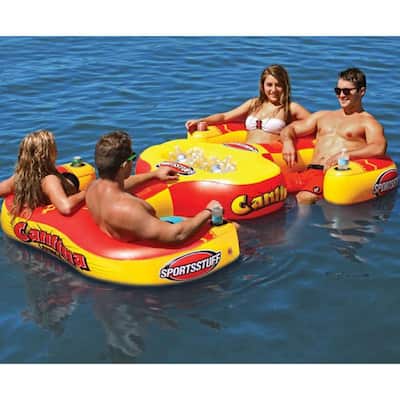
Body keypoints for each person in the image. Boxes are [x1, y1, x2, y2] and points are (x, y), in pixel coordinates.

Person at [85, 130, 225, 244]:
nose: (133, 162)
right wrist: (208, 211)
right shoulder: (128, 210)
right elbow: (177, 235)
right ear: (124, 165)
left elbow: (120, 185)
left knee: (186, 219)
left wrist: (154, 175)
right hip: (155, 247)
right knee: (230, 227)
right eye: (132, 157)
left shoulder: (93, 188)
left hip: (130, 233)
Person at [280, 67, 387, 205]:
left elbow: (378, 147)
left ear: (362, 92)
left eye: (346, 91)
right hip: (308, 172)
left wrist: (346, 155)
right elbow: (290, 129)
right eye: (338, 91)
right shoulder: (323, 116)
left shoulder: (368, 122)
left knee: (303, 198)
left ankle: (296, 220)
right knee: (274, 186)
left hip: (330, 176)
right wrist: (288, 142)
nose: (341, 95)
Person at [185, 64, 310, 144]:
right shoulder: (254, 104)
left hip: (269, 156)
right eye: (269, 85)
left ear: (285, 86)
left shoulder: (291, 108)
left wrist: (290, 132)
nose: (273, 90)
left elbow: (315, 123)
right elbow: (225, 117)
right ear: (262, 86)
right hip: (247, 152)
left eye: (278, 85)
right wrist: (201, 120)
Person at [0, 130, 86, 218]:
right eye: (54, 147)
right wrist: (86, 192)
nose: (57, 151)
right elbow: (66, 208)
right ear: (46, 155)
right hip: (59, 214)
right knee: (71, 178)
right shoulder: (50, 180)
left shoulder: (19, 178)